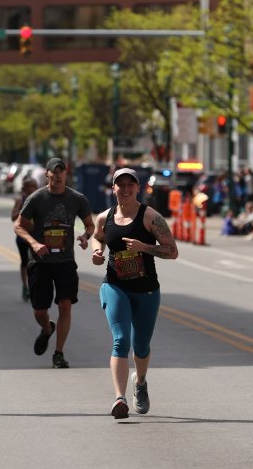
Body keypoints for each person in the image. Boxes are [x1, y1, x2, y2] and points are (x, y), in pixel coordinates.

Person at [91, 166, 178, 419]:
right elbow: (98, 237)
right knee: (120, 341)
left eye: (131, 185)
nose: (126, 189)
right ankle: (120, 398)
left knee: (141, 347)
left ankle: (139, 381)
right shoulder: (104, 217)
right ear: (113, 188)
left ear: (138, 188)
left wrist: (144, 247)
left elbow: (172, 251)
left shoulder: (151, 217)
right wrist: (97, 252)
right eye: (121, 184)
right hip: (115, 286)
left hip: (147, 290)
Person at [14, 157, 94, 369]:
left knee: (65, 305)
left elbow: (90, 225)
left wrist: (86, 237)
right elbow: (19, 226)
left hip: (65, 260)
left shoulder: (77, 199)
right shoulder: (36, 198)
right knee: (40, 310)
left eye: (61, 172)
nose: (58, 175)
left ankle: (59, 353)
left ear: (66, 174)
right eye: (54, 172)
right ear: (47, 174)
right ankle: (47, 329)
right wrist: (33, 243)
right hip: (40, 261)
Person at [11, 176, 38, 301]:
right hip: (22, 236)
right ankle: (25, 286)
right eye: (29, 186)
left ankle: (34, 286)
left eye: (34, 186)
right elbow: (13, 217)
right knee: (25, 261)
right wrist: (24, 209)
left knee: (36, 262)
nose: (32, 188)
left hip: (36, 236)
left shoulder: (40, 199)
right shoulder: (20, 200)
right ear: (24, 188)